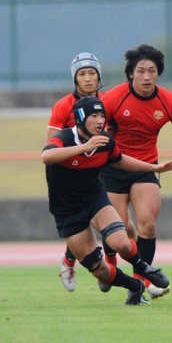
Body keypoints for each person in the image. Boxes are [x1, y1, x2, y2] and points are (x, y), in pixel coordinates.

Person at [43, 96, 172, 305]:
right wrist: (84, 148)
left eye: (102, 116)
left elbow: (120, 160)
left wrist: (153, 167)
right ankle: (136, 287)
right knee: (101, 272)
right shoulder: (65, 138)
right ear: (80, 118)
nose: (100, 121)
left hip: (94, 199)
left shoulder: (105, 141)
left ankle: (143, 268)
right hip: (66, 211)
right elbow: (47, 156)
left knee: (121, 243)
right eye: (94, 116)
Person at [101, 44, 172, 300]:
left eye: (152, 71)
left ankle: (137, 286)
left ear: (158, 73)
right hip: (112, 167)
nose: (146, 76)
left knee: (146, 224)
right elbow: (95, 133)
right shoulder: (113, 99)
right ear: (130, 74)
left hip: (146, 167)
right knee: (118, 228)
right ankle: (110, 263)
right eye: (140, 71)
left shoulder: (169, 102)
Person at [47, 52, 108, 293]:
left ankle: (126, 270)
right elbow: (50, 146)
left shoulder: (106, 102)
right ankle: (72, 260)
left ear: (99, 76)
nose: (88, 78)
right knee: (87, 221)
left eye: (92, 72)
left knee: (117, 226)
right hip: (72, 174)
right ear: (75, 78)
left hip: (100, 168)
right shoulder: (63, 106)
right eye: (82, 74)